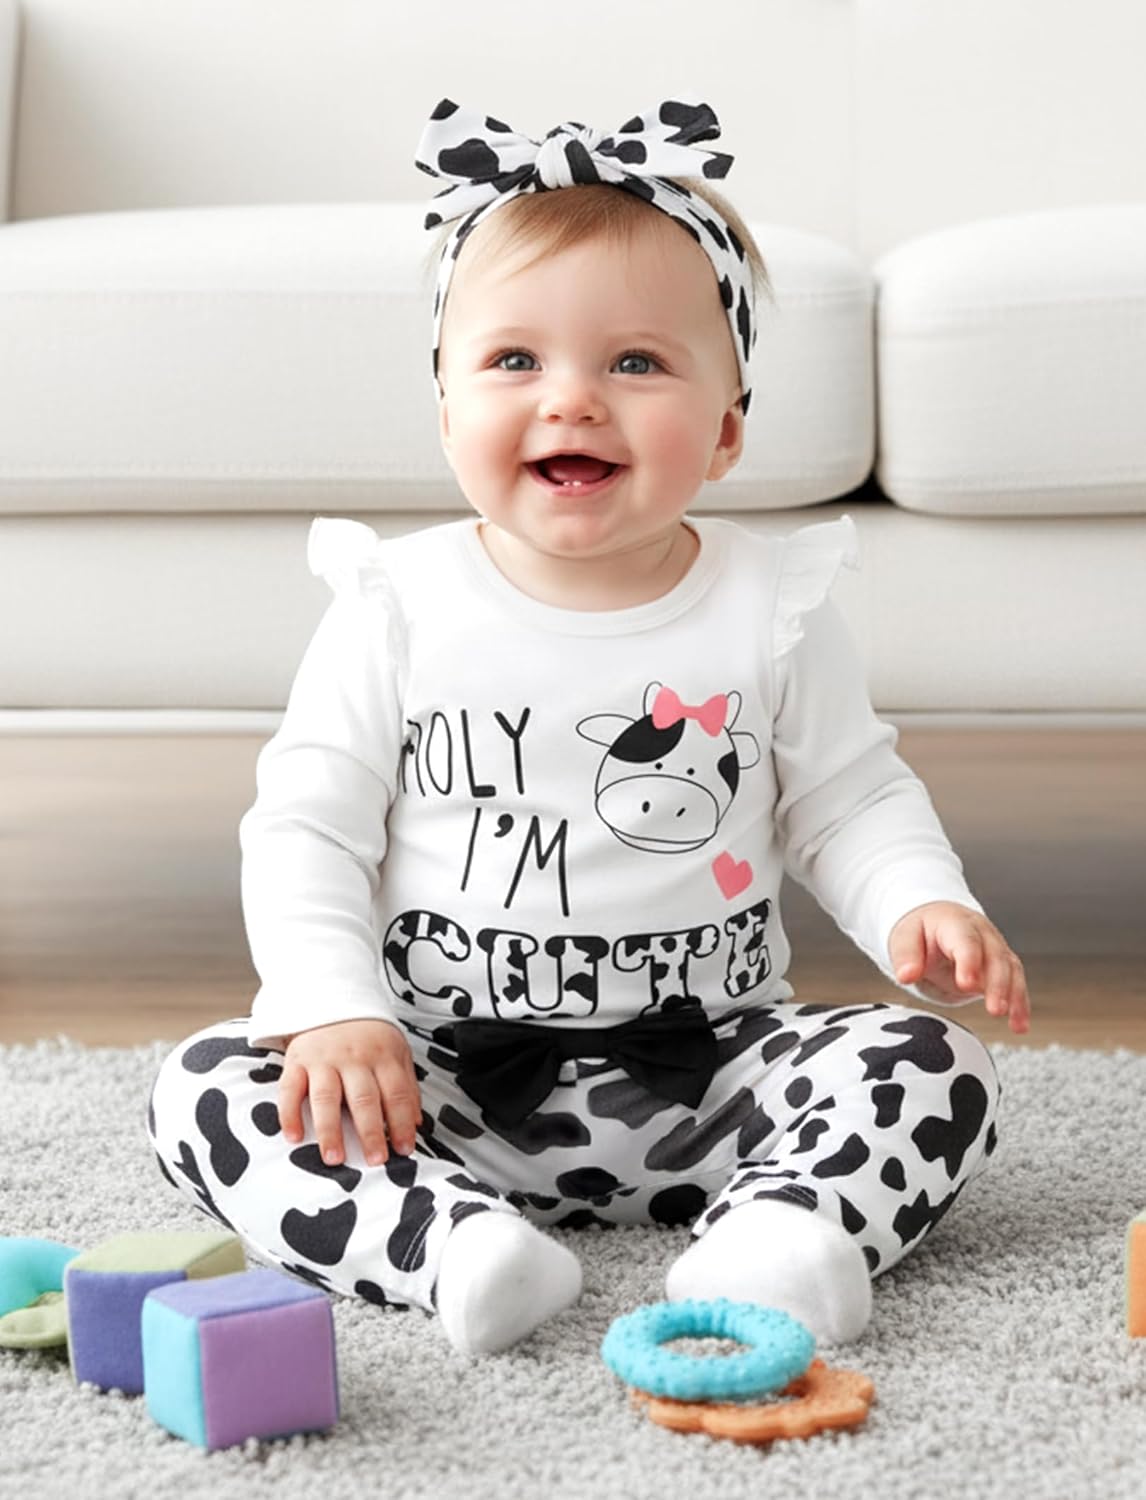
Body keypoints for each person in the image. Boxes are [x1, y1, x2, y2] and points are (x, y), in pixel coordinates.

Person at [147, 94, 1031, 1357]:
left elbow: (849, 800)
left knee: (931, 1065)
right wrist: (334, 1007)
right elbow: (307, 831)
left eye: (636, 363)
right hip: (434, 1081)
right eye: (515, 361)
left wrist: (917, 902)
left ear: (726, 429)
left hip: (714, 1077)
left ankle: (780, 1232)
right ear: (445, 410)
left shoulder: (770, 606)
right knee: (211, 1084)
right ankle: (454, 1247)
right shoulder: (395, 606)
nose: (572, 401)